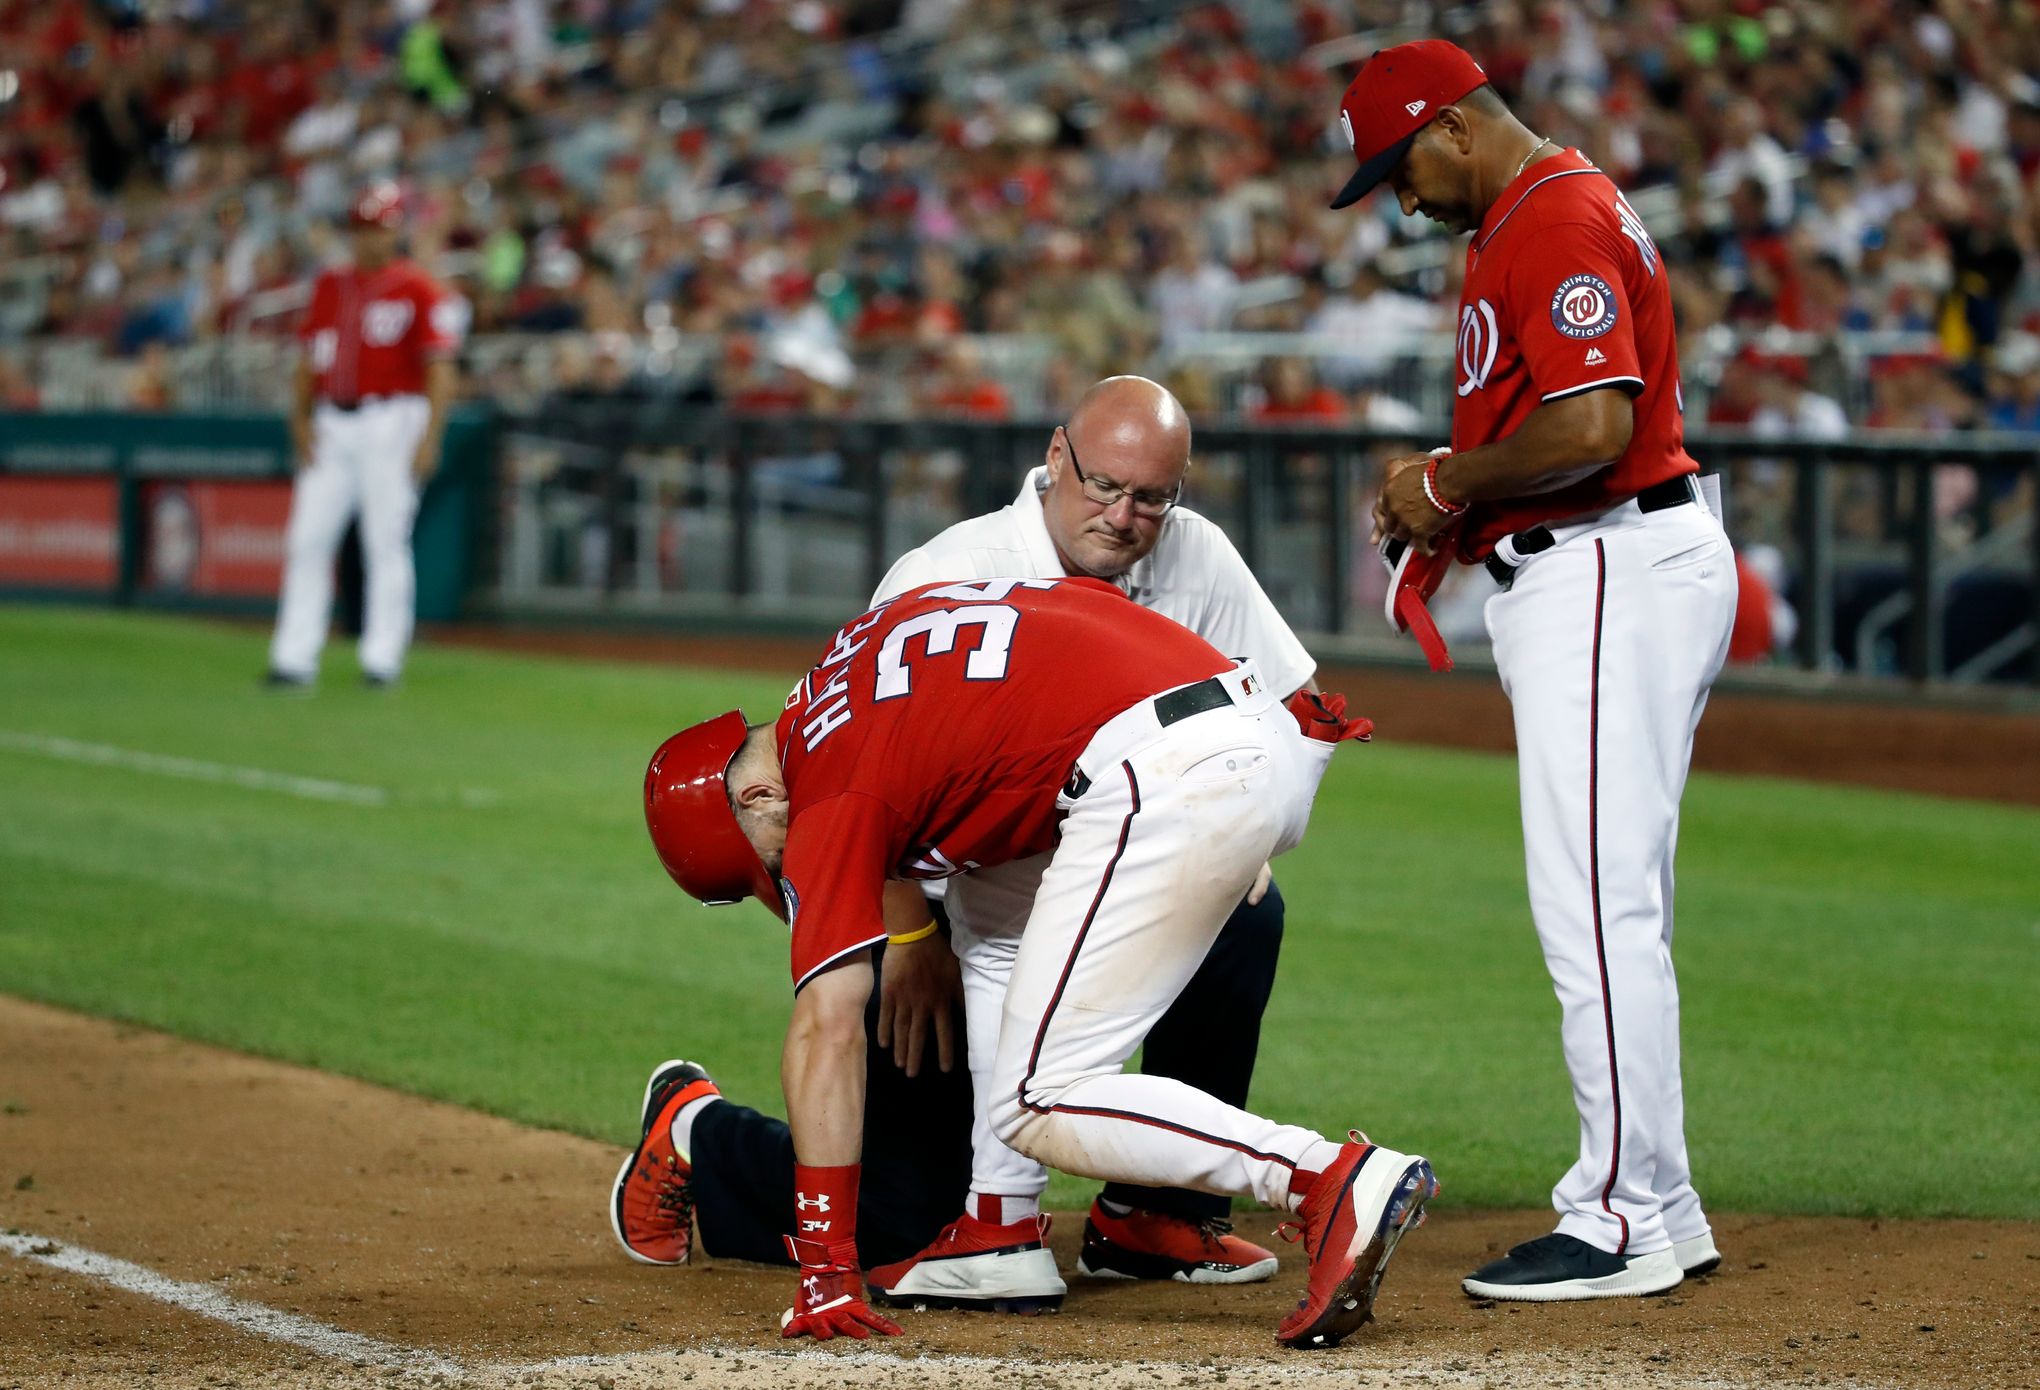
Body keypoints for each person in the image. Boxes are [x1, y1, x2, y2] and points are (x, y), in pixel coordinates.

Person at [609, 378, 1321, 1308]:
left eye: (1152, 498)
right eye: (1105, 486)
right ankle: (700, 1135)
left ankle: (1152, 1211)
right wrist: (909, 942)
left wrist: (1249, 836)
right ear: (1055, 458)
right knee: (903, 1218)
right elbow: (863, 774)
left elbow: (1296, 707)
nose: (1124, 515)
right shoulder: (944, 567)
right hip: (950, 906)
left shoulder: (1197, 556)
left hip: (1112, 856)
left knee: (1245, 916)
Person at [637, 576, 1434, 1347]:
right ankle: (998, 1229)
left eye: (762, 866)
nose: (781, 877)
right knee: (987, 912)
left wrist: (826, 1266)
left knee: (1037, 1098)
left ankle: (1324, 1176)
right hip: (1232, 726)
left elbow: (827, 1029)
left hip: (1169, 770)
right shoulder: (852, 656)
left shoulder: (826, 786)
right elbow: (1084, 608)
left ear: (756, 801)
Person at [1329, 41, 1734, 1301]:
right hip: (1609, 558)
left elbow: (1597, 425)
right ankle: (1658, 1198)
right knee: (1619, 906)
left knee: (1597, 912)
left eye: (1403, 167)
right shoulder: (1539, 210)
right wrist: (1461, 506)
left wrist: (1447, 481)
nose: (1402, 197)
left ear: (1454, 126)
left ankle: (1614, 1217)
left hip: (1611, 562)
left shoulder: (1548, 220)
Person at [265, 182, 461, 690]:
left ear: (397, 229)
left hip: (392, 417)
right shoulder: (331, 284)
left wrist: (430, 437)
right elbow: (309, 359)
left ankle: (381, 658)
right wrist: (301, 419)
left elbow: (440, 368)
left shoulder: (418, 287)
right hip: (333, 420)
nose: (372, 237)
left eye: (382, 226)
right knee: (307, 539)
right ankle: (293, 658)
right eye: (364, 227)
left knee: (385, 539)